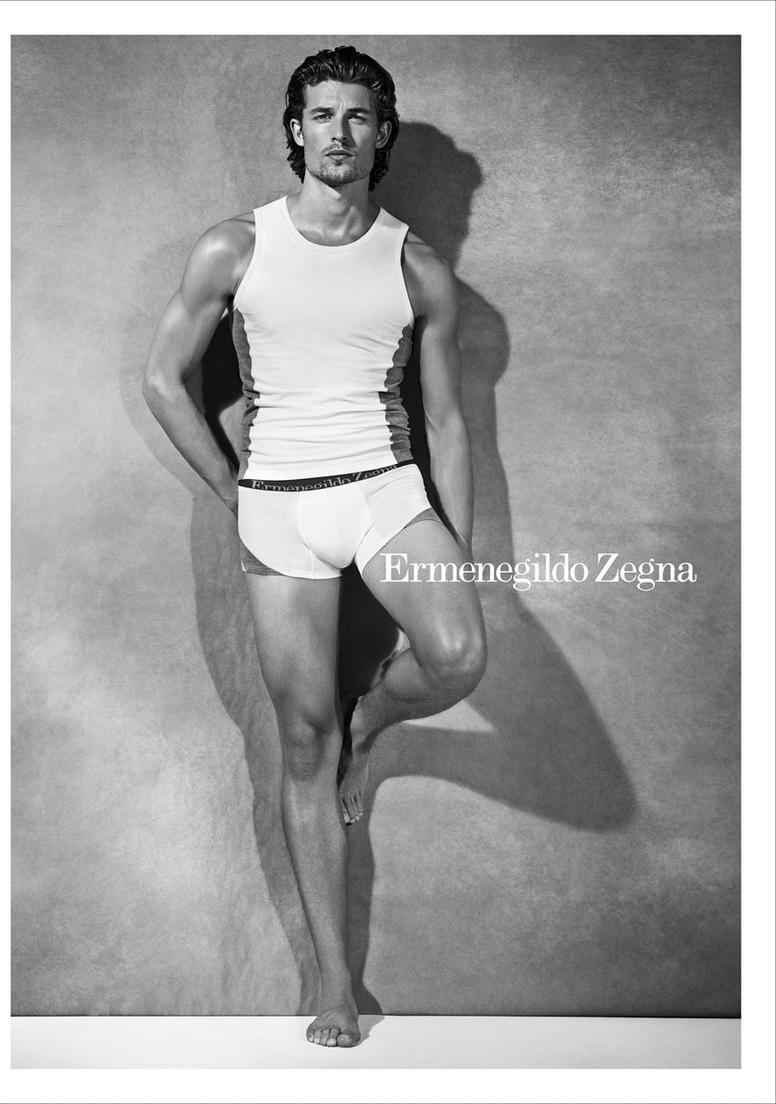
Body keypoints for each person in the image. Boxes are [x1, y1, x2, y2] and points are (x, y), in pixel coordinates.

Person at [143, 45, 487, 1048]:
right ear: (296, 129)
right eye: (322, 114)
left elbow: (447, 423)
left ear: (382, 133)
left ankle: (370, 713)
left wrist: (456, 551)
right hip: (279, 506)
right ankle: (336, 983)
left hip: (384, 491)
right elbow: (163, 379)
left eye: (358, 116)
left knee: (458, 654)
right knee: (301, 747)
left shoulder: (417, 266)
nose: (339, 132)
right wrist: (231, 490)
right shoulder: (234, 247)